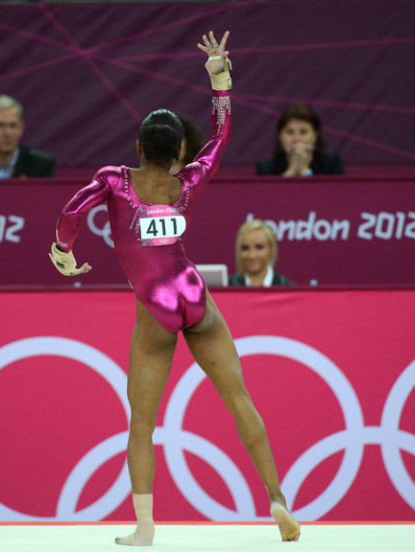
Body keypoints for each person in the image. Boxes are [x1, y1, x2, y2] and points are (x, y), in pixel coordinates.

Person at [49, 31, 300, 545]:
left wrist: (63, 252)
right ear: (177, 151)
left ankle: (144, 529)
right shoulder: (187, 182)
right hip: (195, 297)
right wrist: (219, 80)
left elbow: (71, 211)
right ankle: (277, 499)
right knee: (240, 401)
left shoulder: (115, 180)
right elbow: (222, 139)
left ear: (140, 148)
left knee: (142, 423)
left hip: (155, 308)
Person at [255, 104, 344, 177]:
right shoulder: (265, 168)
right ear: (280, 136)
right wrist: (291, 171)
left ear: (315, 135)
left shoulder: (332, 164)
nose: (296, 139)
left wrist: (305, 171)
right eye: (289, 132)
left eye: (303, 132)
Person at [228, 219, 296, 287]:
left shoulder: (288, 289)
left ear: (272, 250)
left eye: (259, 247)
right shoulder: (226, 287)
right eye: (245, 248)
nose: (252, 255)